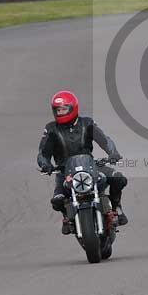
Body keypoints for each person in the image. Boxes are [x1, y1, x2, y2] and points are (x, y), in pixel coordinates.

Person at [38, 90, 129, 235]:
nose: (60, 112)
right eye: (58, 110)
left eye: (63, 109)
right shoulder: (51, 129)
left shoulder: (87, 123)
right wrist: (45, 164)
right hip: (64, 172)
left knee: (118, 178)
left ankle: (116, 207)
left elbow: (105, 140)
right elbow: (43, 152)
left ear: (73, 108)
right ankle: (67, 216)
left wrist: (113, 153)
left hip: (90, 167)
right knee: (57, 200)